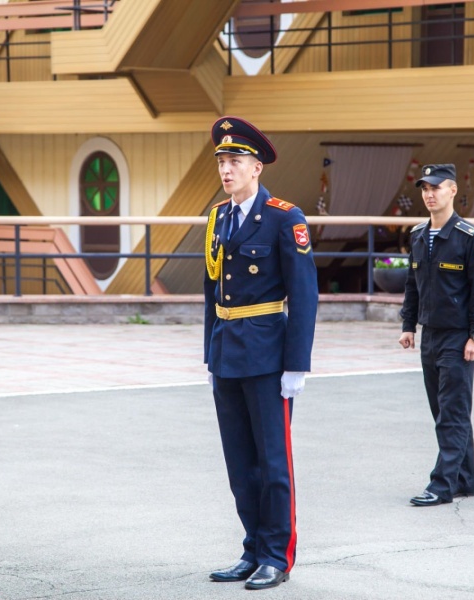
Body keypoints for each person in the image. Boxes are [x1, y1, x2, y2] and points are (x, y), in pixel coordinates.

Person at [203, 116, 318, 590]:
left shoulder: (283, 217)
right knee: (239, 464)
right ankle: (252, 548)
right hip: (227, 352)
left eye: (235, 161)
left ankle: (276, 555)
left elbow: (304, 294)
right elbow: (212, 291)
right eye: (222, 162)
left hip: (269, 355)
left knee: (273, 463)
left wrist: (297, 365)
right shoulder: (218, 217)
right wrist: (209, 356)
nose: (226, 170)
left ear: (256, 167)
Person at [398, 163, 474, 507]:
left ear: (452, 190)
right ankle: (465, 480)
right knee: (443, 410)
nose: (429, 194)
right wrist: (408, 324)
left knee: (451, 414)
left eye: (436, 188)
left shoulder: (471, 237)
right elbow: (413, 284)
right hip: (430, 336)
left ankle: (441, 485)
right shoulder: (418, 235)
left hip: (458, 338)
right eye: (425, 189)